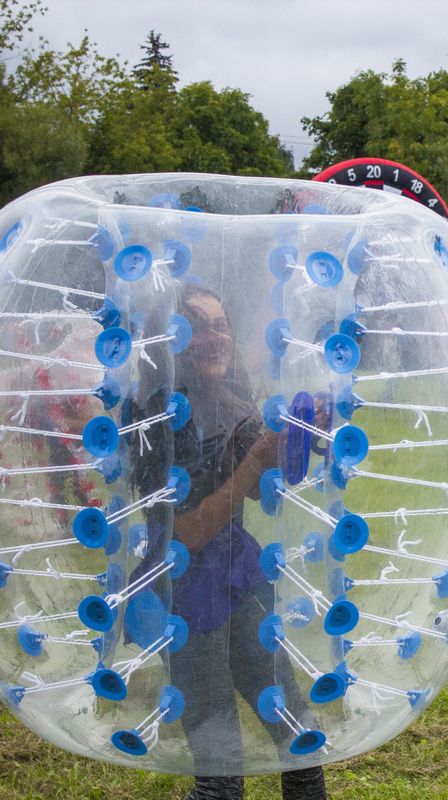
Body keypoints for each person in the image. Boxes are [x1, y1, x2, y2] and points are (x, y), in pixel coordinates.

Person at [130, 284, 327, 800]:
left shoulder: (233, 400)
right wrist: (257, 460)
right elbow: (187, 532)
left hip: (239, 572)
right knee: (222, 775)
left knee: (301, 739)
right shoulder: (154, 417)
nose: (214, 337)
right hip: (184, 593)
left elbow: (265, 486)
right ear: (169, 339)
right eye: (196, 326)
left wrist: (303, 437)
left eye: (221, 325)